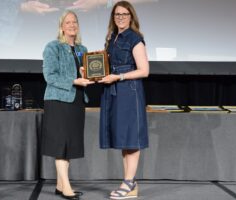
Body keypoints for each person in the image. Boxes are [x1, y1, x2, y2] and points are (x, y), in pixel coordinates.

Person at [98, 1, 149, 199]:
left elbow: (144, 71)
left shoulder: (135, 39)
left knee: (131, 138)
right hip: (114, 90)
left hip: (129, 91)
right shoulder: (112, 37)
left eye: (124, 14)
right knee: (123, 138)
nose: (120, 17)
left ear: (131, 16)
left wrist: (118, 77)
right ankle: (130, 182)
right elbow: (105, 63)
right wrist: (90, 69)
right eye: (117, 14)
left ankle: (128, 182)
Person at [42, 10, 94, 200]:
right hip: (58, 100)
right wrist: (74, 80)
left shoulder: (83, 49)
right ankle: (67, 188)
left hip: (76, 101)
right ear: (61, 26)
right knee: (60, 144)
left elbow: (86, 73)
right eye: (68, 22)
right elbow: (50, 76)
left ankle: (59, 184)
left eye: (74, 22)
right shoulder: (53, 47)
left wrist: (86, 75)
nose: (72, 25)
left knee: (69, 145)